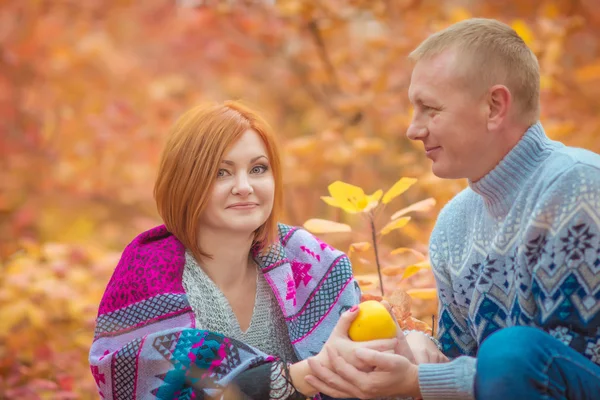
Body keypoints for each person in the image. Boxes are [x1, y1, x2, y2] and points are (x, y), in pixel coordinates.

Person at [305, 18, 600, 400]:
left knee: (510, 353)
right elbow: (463, 368)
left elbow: (566, 360)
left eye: (429, 109)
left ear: (495, 106)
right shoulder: (453, 225)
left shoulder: (577, 186)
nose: (413, 130)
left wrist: (420, 381)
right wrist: (409, 351)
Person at [88, 101, 401, 399]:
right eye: (221, 172)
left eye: (258, 169)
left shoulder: (307, 260)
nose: (244, 186)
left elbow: (373, 361)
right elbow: (167, 390)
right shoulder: (147, 273)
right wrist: (306, 376)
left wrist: (412, 344)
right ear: (185, 182)